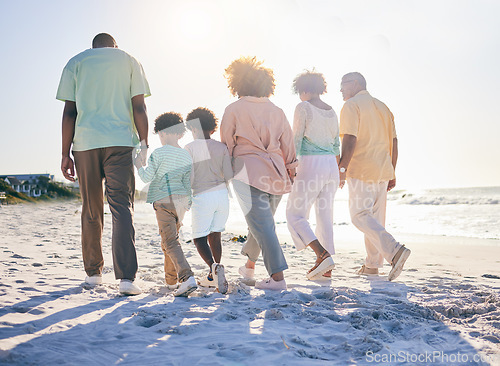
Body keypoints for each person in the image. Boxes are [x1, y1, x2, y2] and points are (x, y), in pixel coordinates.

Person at [57, 33, 150, 295]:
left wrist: (65, 153)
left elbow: (69, 112)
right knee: (122, 207)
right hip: (120, 142)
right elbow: (139, 108)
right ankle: (127, 279)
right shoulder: (129, 60)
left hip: (85, 143)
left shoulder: (76, 63)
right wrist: (144, 144)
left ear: (93, 47)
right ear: (115, 46)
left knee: (91, 207)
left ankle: (93, 275)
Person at [220, 56, 298, 291]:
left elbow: (226, 144)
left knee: (263, 226)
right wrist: (292, 170)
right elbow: (289, 143)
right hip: (276, 172)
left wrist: (224, 174)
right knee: (263, 224)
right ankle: (249, 266)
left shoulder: (234, 109)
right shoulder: (277, 111)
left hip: (247, 172)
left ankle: (277, 278)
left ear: (237, 83)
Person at [338, 72, 411, 281]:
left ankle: (395, 251)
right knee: (375, 220)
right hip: (383, 169)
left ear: (355, 84)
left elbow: (350, 138)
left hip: (362, 167)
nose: (341, 89)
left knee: (359, 216)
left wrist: (342, 168)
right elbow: (394, 142)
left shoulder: (352, 105)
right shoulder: (383, 107)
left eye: (343, 84)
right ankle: (372, 265)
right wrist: (392, 171)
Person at [135, 112, 198, 297]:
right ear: (180, 133)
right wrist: (189, 202)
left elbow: (147, 177)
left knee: (169, 241)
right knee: (171, 240)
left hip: (163, 201)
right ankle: (171, 281)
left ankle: (187, 278)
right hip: (181, 201)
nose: (161, 137)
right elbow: (189, 182)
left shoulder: (159, 153)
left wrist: (138, 166)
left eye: (161, 134)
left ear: (162, 133)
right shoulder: (186, 155)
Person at [286, 70, 339, 280]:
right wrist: (339, 171)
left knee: (294, 214)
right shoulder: (332, 110)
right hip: (331, 166)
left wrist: (290, 165)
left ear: (305, 89)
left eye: (300, 91)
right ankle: (326, 268)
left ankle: (322, 255)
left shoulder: (303, 107)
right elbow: (336, 143)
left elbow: (296, 139)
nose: (300, 95)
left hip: (311, 162)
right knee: (325, 216)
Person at [184, 107, 233, 294]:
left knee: (199, 238)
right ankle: (213, 276)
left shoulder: (189, 148)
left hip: (202, 195)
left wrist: (186, 199)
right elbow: (229, 175)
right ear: (212, 128)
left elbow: (188, 177)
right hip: (222, 195)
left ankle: (213, 267)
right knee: (215, 236)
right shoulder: (222, 147)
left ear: (193, 128)